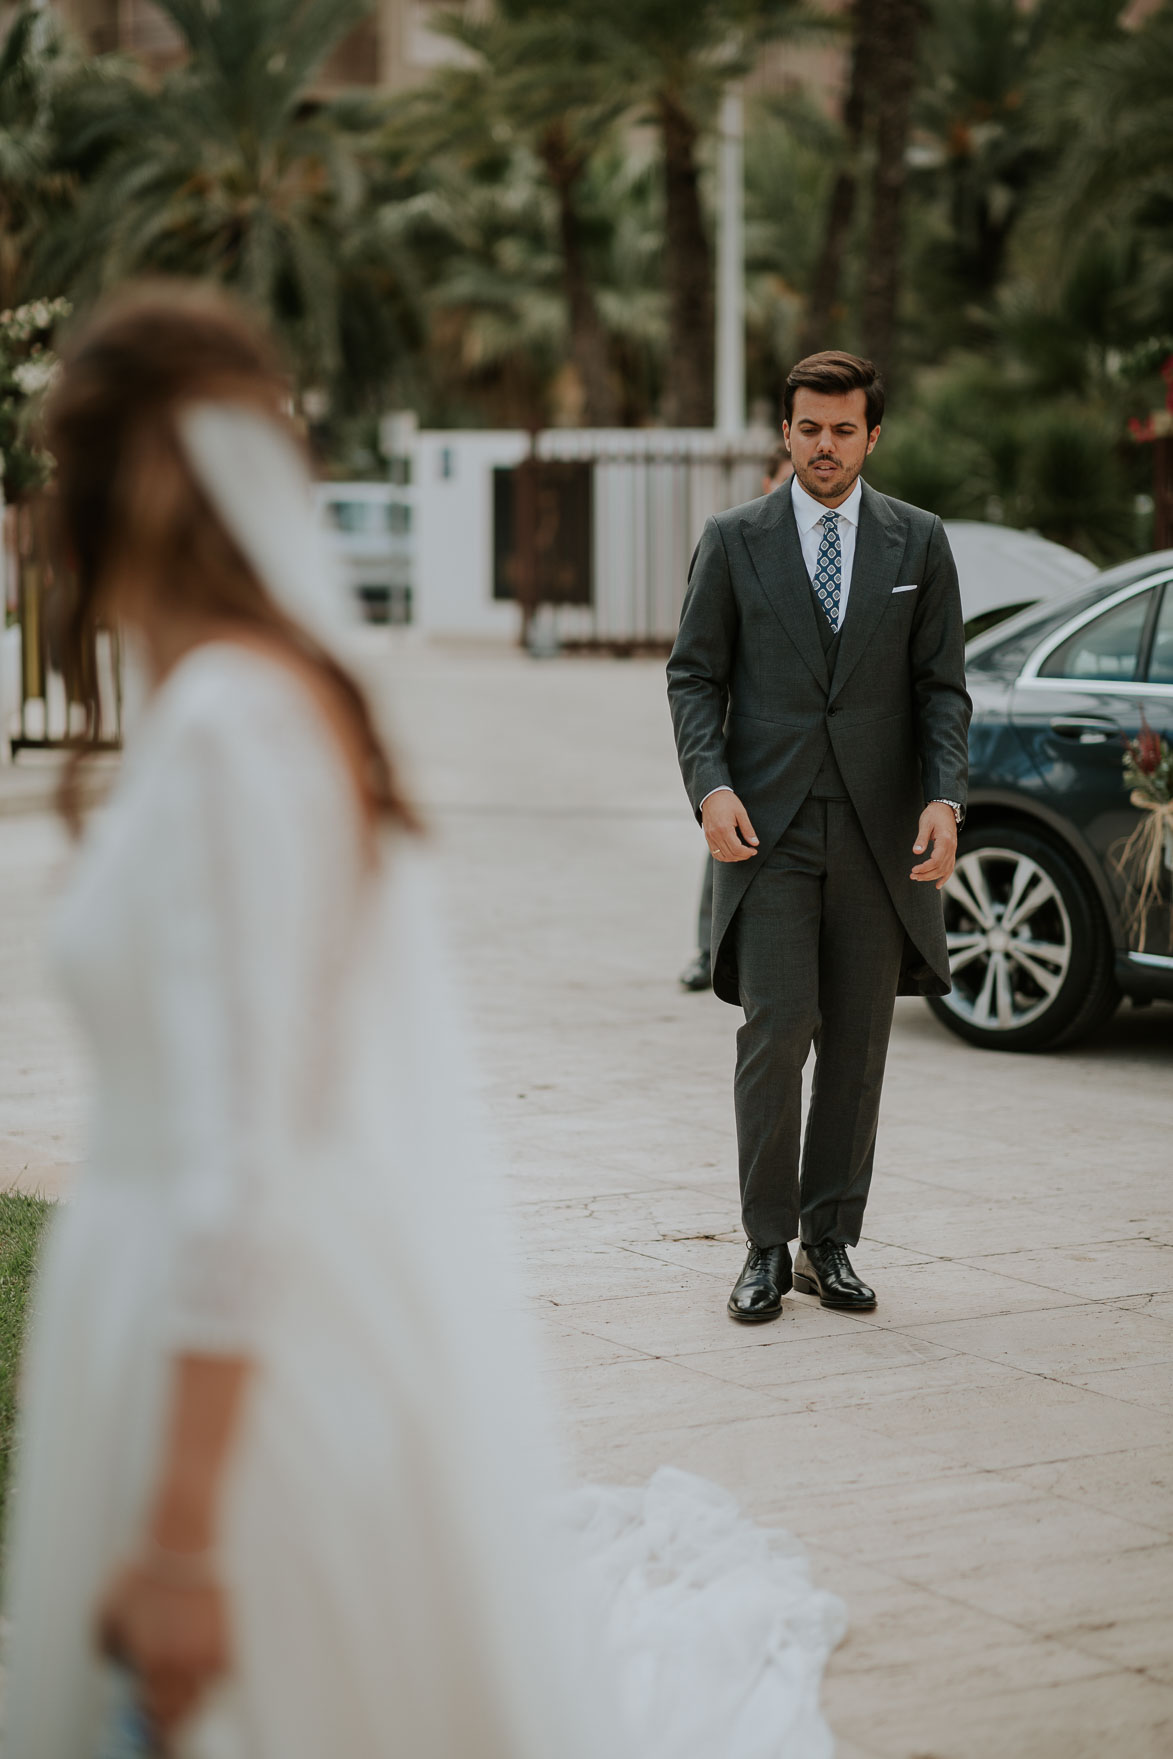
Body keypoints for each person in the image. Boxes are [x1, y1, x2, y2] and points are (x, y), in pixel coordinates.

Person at [3, 285, 846, 1759]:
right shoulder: (259, 700)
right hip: (209, 1320)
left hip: (220, 1364)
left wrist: (187, 1531)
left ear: (127, 484)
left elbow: (241, 1146)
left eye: (57, 478)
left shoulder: (231, 728)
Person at [667, 351, 970, 1322]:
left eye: (844, 430)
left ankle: (827, 1240)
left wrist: (944, 798)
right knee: (777, 1030)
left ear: (871, 435)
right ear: (784, 432)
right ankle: (763, 1245)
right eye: (809, 428)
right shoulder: (733, 540)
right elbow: (693, 678)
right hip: (769, 835)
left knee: (859, 1043)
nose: (825, 447)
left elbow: (942, 691)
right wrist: (709, 787)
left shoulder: (918, 543)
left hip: (881, 834)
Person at [678, 444, 794, 993]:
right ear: (769, 482)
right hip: (750, 743)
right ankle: (710, 946)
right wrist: (711, 779)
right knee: (725, 837)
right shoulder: (734, 541)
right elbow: (697, 667)